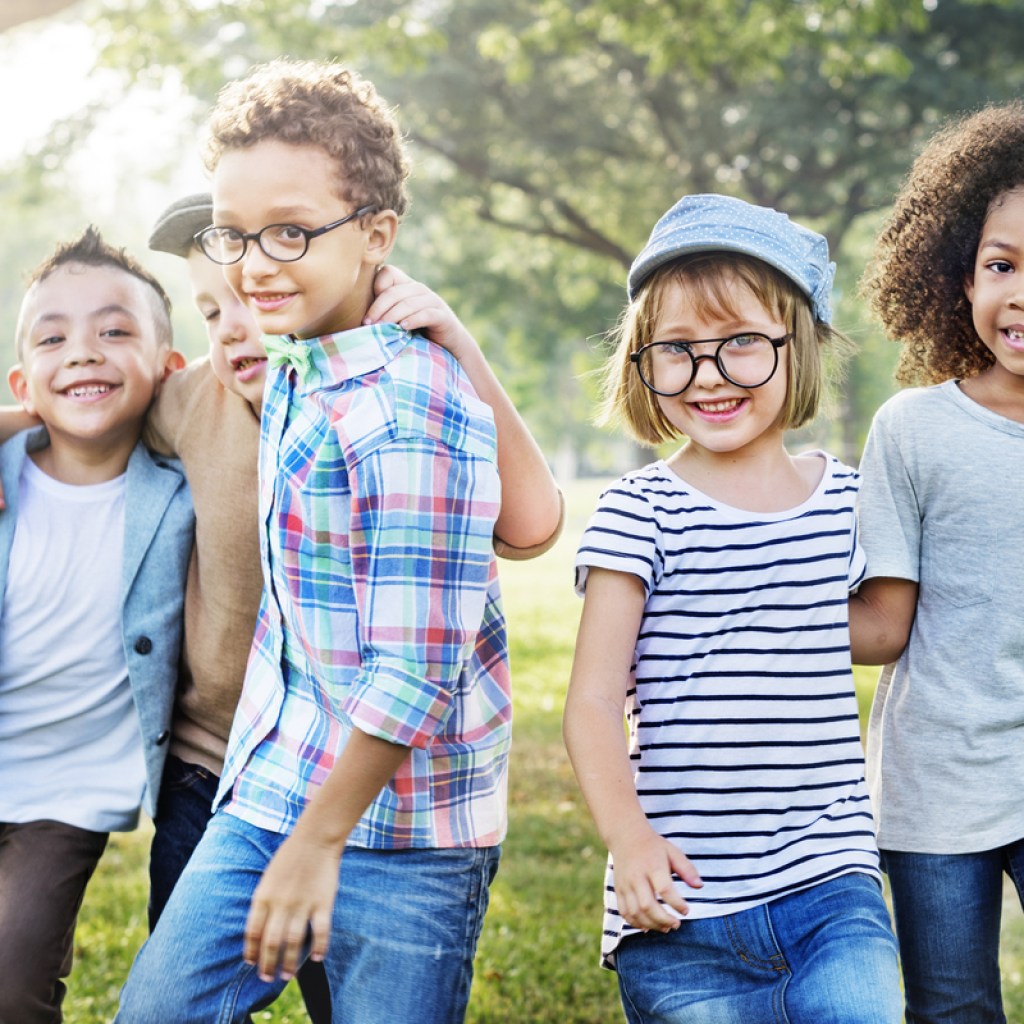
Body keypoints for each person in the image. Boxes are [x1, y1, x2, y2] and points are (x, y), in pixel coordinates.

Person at [117, 58, 538, 1023]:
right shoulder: (299, 363)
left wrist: (318, 844)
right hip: (274, 785)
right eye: (234, 234)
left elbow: (414, 669)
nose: (254, 263)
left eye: (291, 232)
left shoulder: (408, 405)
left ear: (377, 237)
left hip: (405, 831)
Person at [562, 193, 903, 1024]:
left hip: (831, 882)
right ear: (642, 362)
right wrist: (629, 840)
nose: (709, 374)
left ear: (800, 345)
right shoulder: (639, 510)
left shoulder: (853, 503)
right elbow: (595, 700)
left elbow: (882, 631)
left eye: (742, 344)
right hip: (683, 905)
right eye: (676, 350)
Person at [855, 101, 1024, 1024]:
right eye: (1002, 265)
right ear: (959, 276)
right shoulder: (914, 428)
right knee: (952, 1008)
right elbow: (883, 625)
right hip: (934, 785)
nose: (1020, 294)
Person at [0, 227, 192, 1023]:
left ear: (170, 370)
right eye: (54, 337)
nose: (83, 352)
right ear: (22, 380)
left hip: (65, 794)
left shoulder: (185, 496)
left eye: (115, 331)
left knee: (10, 982)